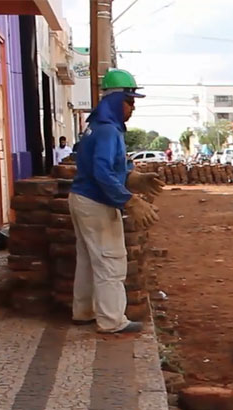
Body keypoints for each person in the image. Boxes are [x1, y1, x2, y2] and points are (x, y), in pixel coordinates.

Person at [69, 68, 163, 334]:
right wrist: (130, 201)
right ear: (114, 100)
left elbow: (109, 168)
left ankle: (83, 311)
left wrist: (136, 178)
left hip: (81, 199)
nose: (133, 108)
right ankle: (112, 320)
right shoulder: (109, 131)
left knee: (89, 260)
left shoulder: (96, 127)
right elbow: (101, 173)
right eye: (129, 101)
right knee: (111, 259)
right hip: (95, 202)